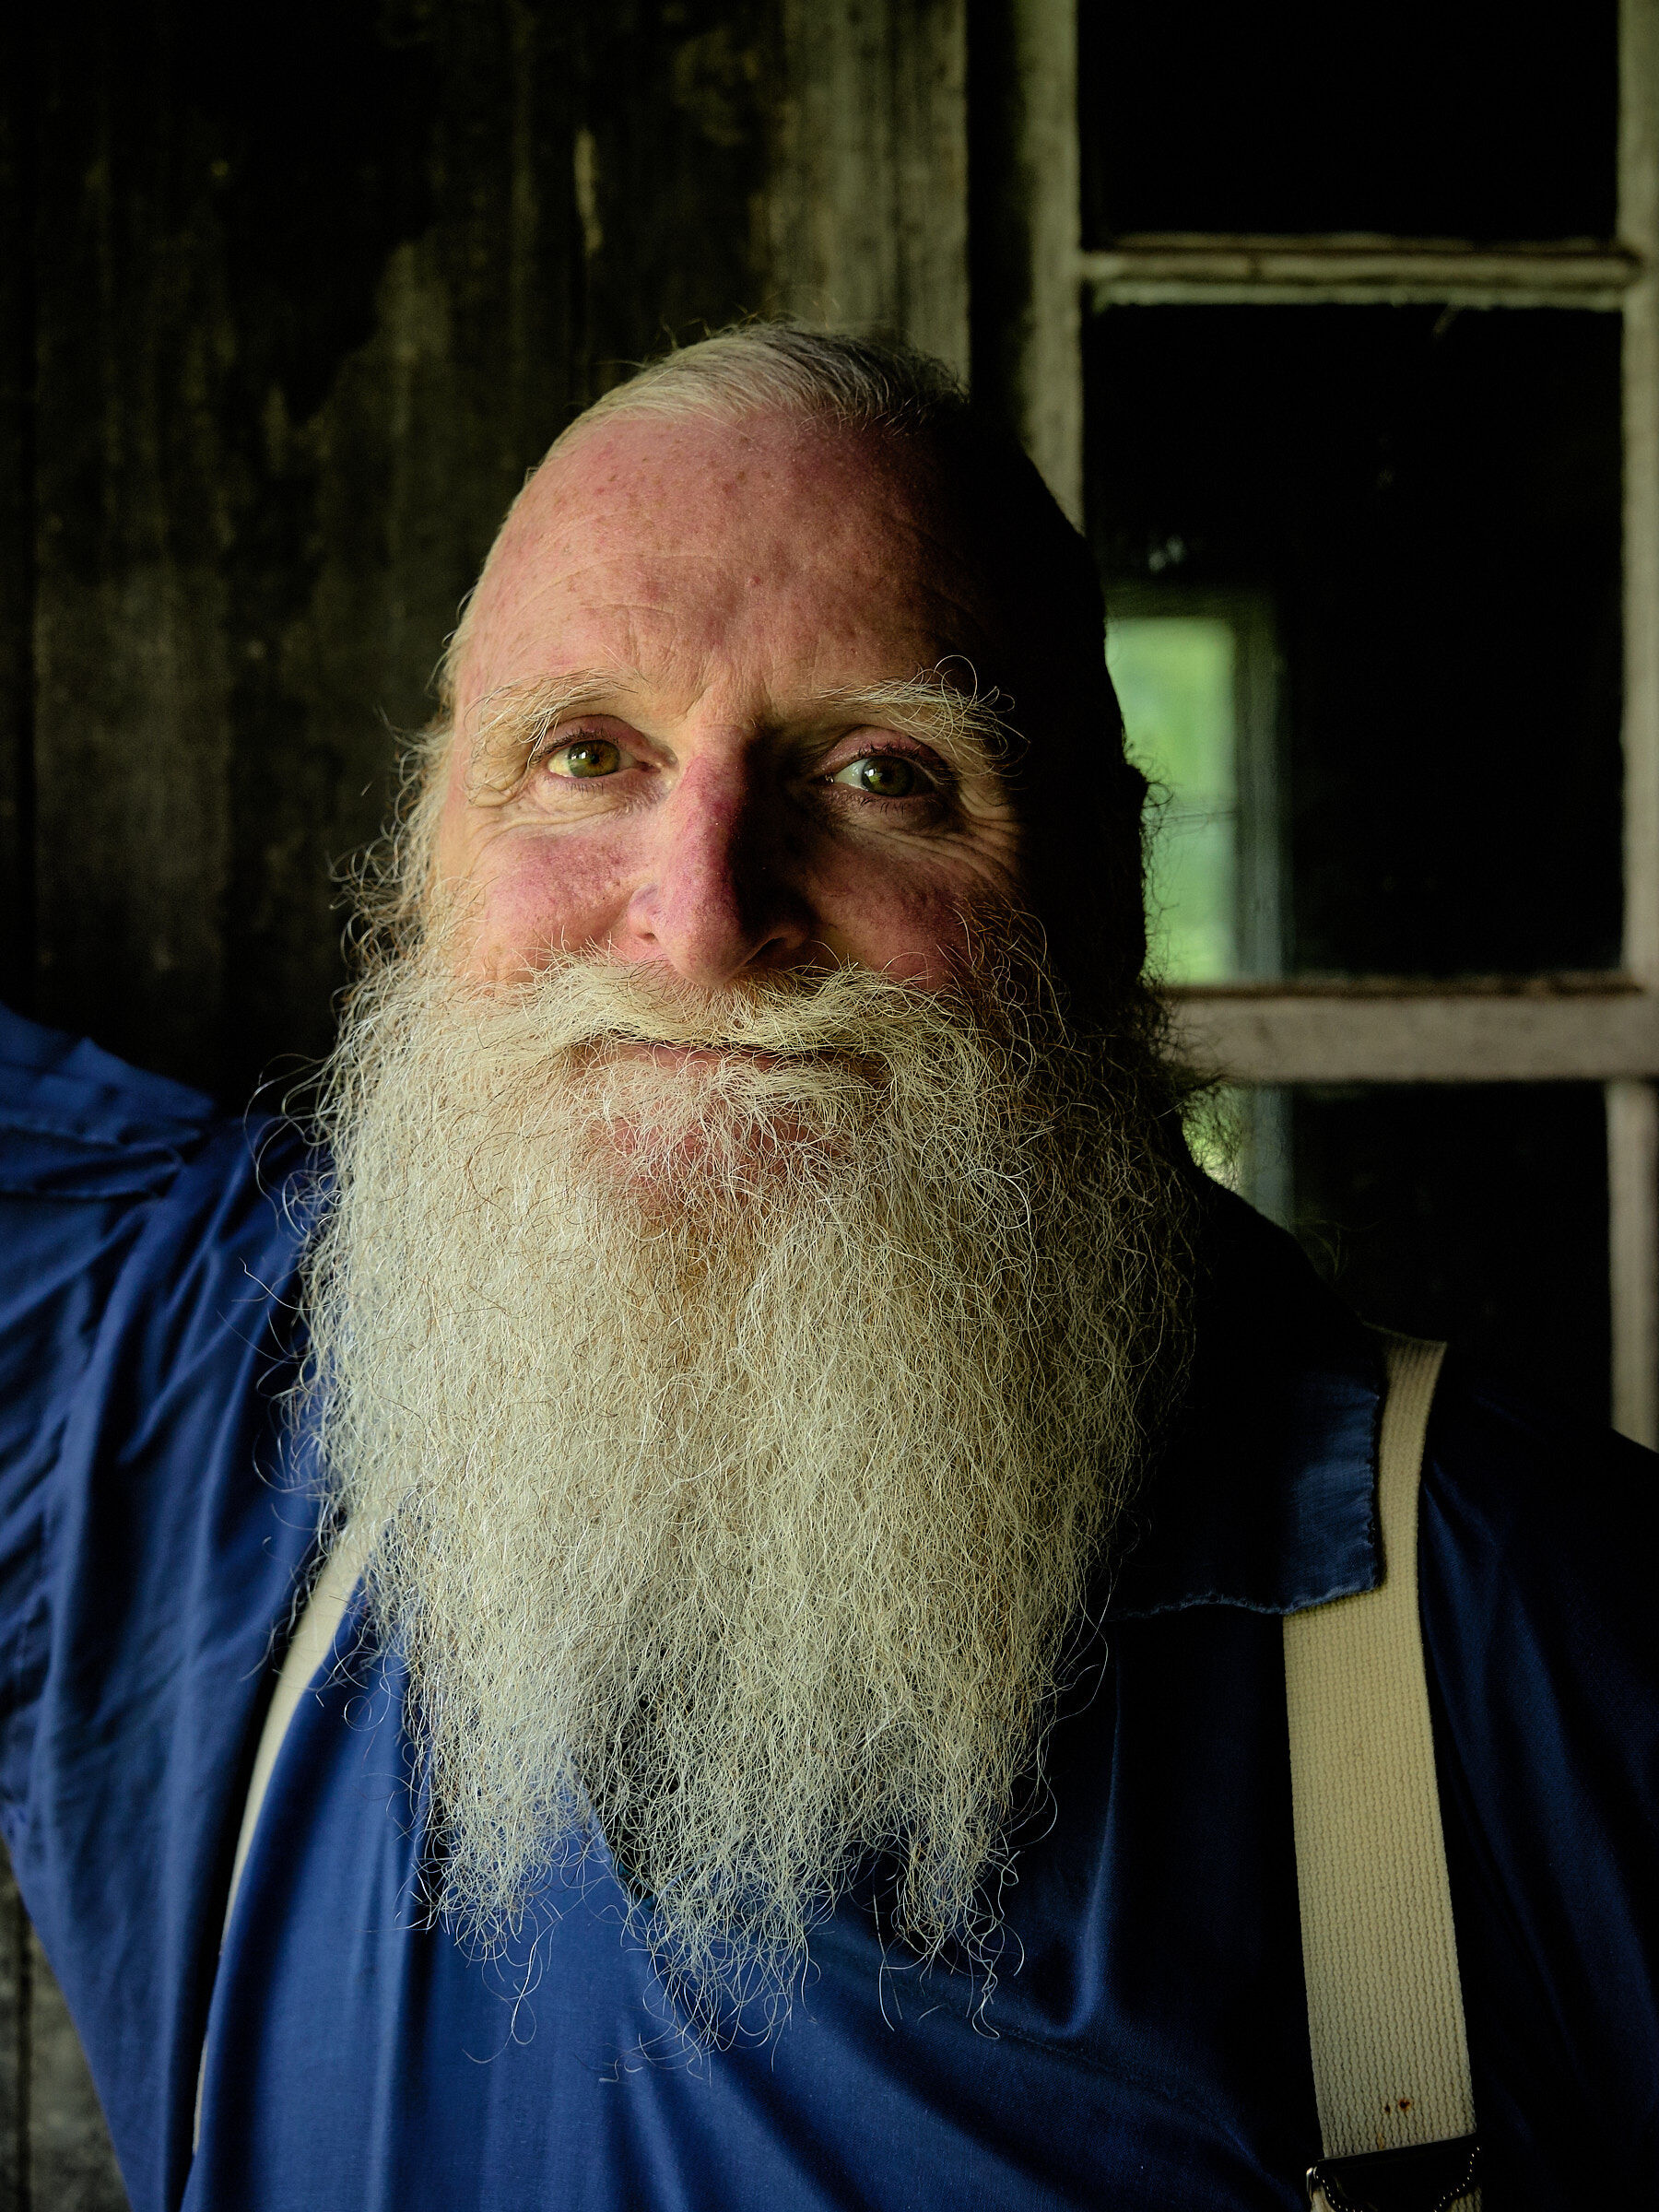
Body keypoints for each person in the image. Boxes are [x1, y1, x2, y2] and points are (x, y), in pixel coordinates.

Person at [0, 325, 1653, 2212]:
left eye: (885, 773)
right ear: (422, 859)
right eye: (584, 753)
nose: (703, 918)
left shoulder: (1531, 1633)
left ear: (1105, 894)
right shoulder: (185, 1387)